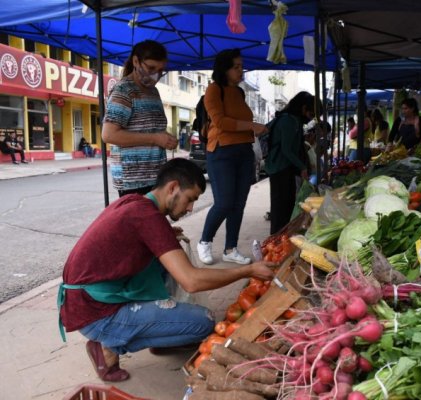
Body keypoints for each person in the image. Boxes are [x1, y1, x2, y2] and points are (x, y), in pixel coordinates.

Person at [58, 158, 276, 382]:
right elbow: (191, 281)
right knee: (205, 322)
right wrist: (247, 270)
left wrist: (165, 236)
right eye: (190, 199)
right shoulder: (148, 217)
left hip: (83, 301)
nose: (190, 208)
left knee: (166, 263)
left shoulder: (137, 203)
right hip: (94, 313)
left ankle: (160, 334)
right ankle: (107, 347)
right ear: (172, 188)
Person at [197, 48, 268, 265]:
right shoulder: (213, 89)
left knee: (238, 204)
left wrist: (254, 129)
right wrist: (252, 125)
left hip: (244, 152)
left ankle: (231, 248)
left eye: (241, 66)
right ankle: (204, 241)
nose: (241, 71)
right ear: (224, 69)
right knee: (224, 202)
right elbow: (221, 122)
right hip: (221, 152)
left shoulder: (239, 93)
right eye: (236, 67)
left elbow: (238, 121)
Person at [102, 40, 178, 198]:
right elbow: (109, 135)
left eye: (160, 70)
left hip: (155, 176)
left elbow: (149, 128)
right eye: (151, 68)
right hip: (133, 181)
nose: (156, 75)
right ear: (136, 61)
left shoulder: (153, 92)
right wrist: (156, 138)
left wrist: (165, 138)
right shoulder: (123, 91)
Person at [265, 91, 322, 234]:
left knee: (287, 207)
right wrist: (302, 167)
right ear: (303, 109)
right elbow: (287, 150)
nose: (310, 120)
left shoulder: (293, 120)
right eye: (310, 115)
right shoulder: (288, 121)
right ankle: (276, 240)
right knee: (280, 209)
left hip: (286, 169)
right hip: (280, 169)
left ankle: (281, 237)